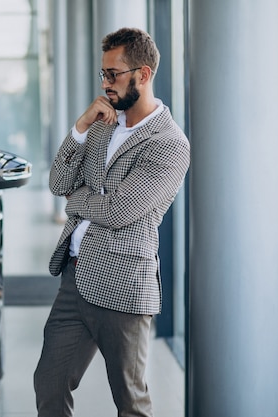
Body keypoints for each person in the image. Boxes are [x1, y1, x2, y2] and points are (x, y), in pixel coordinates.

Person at [33, 27, 190, 417]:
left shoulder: (169, 143)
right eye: (103, 74)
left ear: (143, 74)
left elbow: (120, 211)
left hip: (123, 286)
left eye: (113, 74)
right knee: (49, 382)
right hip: (77, 275)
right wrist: (81, 126)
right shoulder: (103, 122)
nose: (106, 83)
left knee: (130, 401)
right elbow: (58, 183)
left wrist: (78, 202)